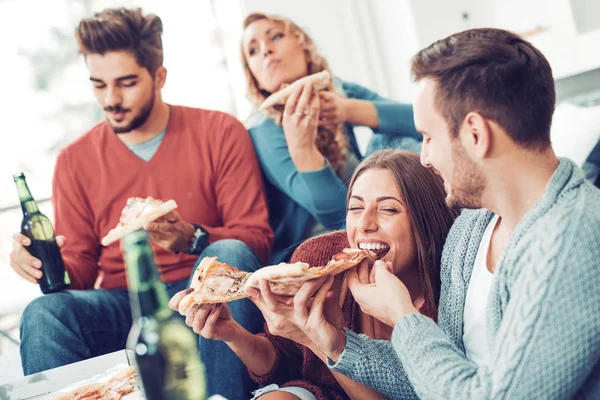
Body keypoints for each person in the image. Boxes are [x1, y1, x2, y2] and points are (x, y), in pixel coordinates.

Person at [284, 28, 600, 399]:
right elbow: (440, 376)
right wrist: (337, 345)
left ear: (476, 134)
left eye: (429, 137)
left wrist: (404, 318)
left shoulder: (573, 239)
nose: (425, 158)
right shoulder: (470, 229)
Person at [8, 8, 273, 400]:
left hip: (197, 298)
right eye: (98, 85)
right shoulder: (74, 161)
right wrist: (42, 263)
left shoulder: (219, 132)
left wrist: (193, 237)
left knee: (229, 251)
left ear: (159, 76)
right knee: (43, 313)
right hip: (123, 305)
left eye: (126, 83)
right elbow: (78, 270)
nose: (110, 99)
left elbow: (256, 241)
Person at [170, 150, 457, 399]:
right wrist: (232, 334)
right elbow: (283, 362)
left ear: (426, 221)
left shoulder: (452, 298)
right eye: (355, 208)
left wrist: (320, 340)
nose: (364, 224)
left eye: (388, 209)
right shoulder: (316, 259)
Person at [240, 12, 423, 264]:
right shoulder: (264, 127)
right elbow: (337, 216)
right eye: (253, 50)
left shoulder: (338, 90)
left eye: (276, 36)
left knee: (394, 142)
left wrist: (347, 109)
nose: (266, 51)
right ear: (254, 77)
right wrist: (302, 148)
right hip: (316, 241)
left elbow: (423, 120)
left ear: (304, 47)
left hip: (376, 217)